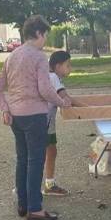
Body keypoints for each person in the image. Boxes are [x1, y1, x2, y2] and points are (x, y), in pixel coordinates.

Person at [0, 15, 71, 220]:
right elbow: (45, 90)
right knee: (36, 161)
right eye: (45, 35)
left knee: (22, 160)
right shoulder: (38, 57)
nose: (45, 39)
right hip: (35, 116)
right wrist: (63, 103)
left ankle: (23, 203)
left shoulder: (12, 56)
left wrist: (4, 109)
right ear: (38, 33)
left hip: (16, 117)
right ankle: (35, 210)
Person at [43, 50, 85, 196]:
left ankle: (49, 183)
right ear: (58, 66)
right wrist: (88, 108)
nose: (70, 68)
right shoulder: (53, 77)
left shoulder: (51, 76)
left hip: (46, 121)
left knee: (51, 151)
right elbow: (65, 98)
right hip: (44, 122)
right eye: (68, 65)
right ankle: (47, 184)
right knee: (46, 152)